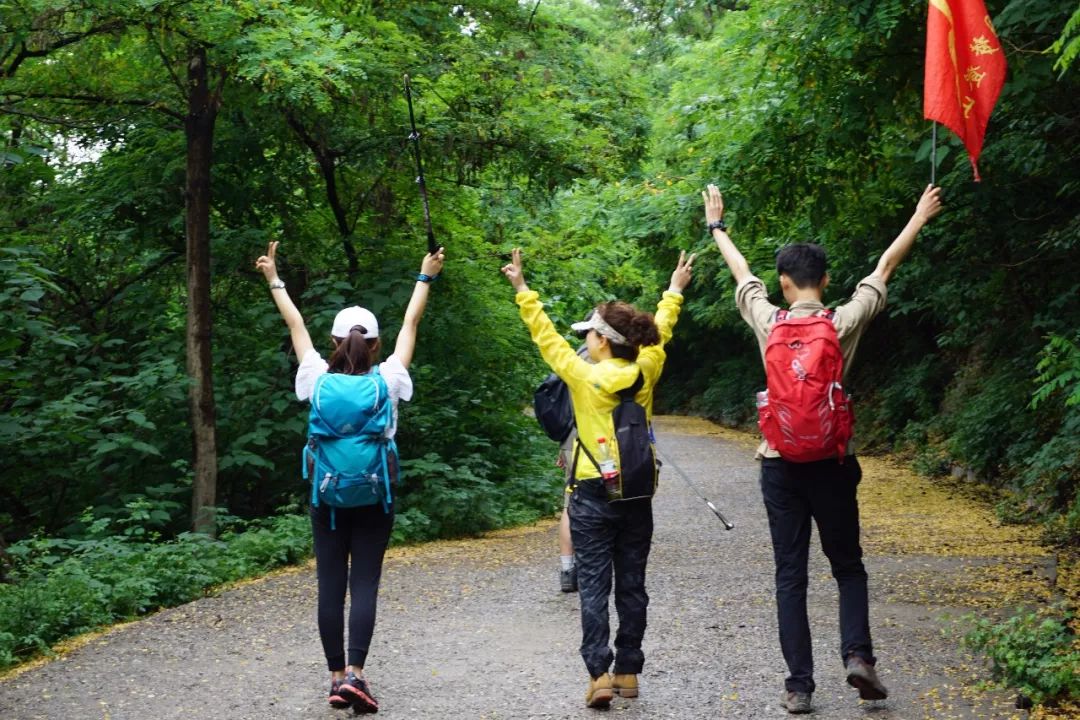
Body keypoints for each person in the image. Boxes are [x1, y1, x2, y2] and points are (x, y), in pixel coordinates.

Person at [701, 183, 942, 714]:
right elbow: (883, 268)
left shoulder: (768, 321)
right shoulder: (841, 322)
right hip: (833, 462)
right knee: (848, 566)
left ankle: (799, 687)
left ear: (784, 283)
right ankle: (858, 656)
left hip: (778, 462)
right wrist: (919, 216)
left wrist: (718, 227)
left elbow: (742, 274)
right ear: (826, 280)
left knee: (791, 575)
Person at [255, 240, 446, 713]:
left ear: (333, 343)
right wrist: (425, 276)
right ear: (375, 345)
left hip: (327, 499)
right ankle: (358, 675)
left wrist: (274, 277)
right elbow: (411, 322)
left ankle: (336, 677)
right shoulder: (390, 377)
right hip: (375, 498)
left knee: (329, 587)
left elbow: (294, 323)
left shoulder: (315, 376)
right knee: (364, 585)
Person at [501, 247, 694, 708]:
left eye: (589, 334)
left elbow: (545, 337)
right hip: (637, 492)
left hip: (591, 491)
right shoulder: (647, 369)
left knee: (594, 583)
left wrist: (523, 290)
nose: (584, 341)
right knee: (632, 584)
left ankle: (598, 676)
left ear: (603, 342)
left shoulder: (582, 376)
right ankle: (628, 672)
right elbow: (660, 332)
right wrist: (674, 291)